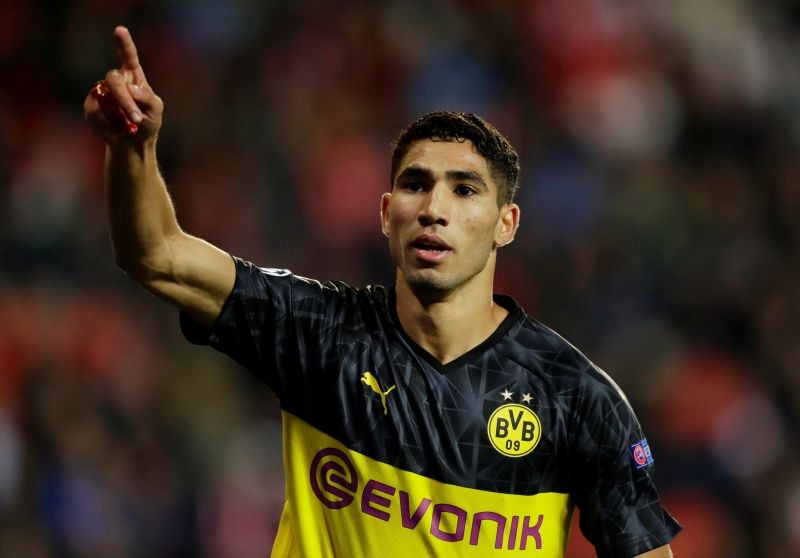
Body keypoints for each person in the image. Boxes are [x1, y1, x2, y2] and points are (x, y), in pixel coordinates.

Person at [84, 26, 681, 558]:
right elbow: (156, 255)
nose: (434, 208)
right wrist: (132, 147)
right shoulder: (320, 335)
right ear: (387, 212)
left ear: (507, 223)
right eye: (416, 185)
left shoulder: (574, 397)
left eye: (465, 190)